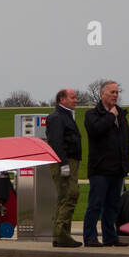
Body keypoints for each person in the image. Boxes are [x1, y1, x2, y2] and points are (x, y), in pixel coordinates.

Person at [82, 80, 129, 247]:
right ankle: (90, 237)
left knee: (112, 205)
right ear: (102, 94)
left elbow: (126, 139)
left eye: (117, 92)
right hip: (100, 169)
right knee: (95, 204)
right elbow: (96, 131)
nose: (115, 95)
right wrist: (111, 116)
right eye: (112, 92)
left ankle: (110, 237)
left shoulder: (122, 115)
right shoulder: (92, 115)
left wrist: (128, 160)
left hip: (118, 168)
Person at [44, 88, 82, 248]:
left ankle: (60, 235)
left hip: (68, 161)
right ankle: (61, 234)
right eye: (72, 97)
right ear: (62, 99)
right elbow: (56, 142)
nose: (76, 100)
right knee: (70, 195)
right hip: (64, 162)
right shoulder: (57, 117)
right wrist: (64, 164)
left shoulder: (65, 116)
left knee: (64, 197)